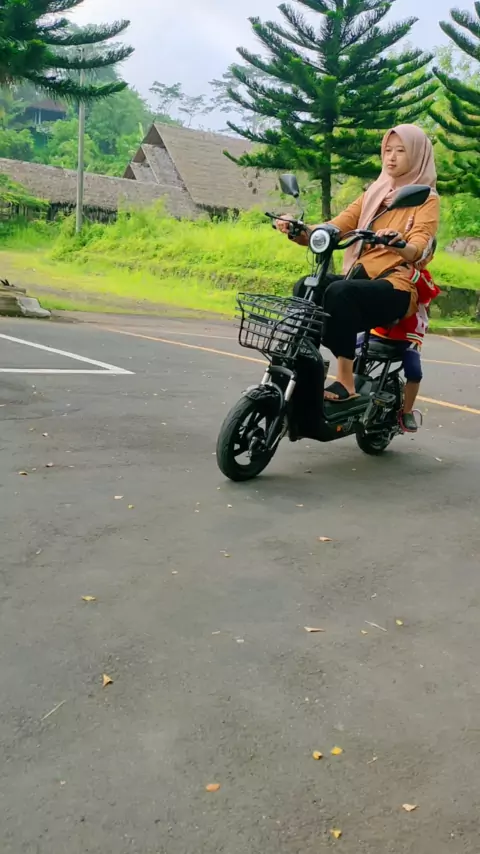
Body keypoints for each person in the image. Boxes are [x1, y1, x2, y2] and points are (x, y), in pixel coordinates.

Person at [275, 124, 440, 402]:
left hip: (397, 285)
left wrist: (400, 244)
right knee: (307, 286)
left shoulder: (425, 198)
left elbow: (421, 244)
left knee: (340, 292)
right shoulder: (375, 192)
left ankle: (346, 382)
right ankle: (304, 365)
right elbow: (336, 226)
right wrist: (298, 228)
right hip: (362, 278)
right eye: (387, 150)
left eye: (401, 151)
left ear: (418, 155)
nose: (391, 157)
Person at [357, 238, 440, 432]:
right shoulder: (388, 267)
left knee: (414, 372)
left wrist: (412, 274)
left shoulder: (423, 277)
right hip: (378, 331)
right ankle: (351, 390)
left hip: (408, 337)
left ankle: (407, 411)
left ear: (430, 257)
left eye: (425, 252)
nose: (420, 257)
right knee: (348, 348)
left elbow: (428, 292)